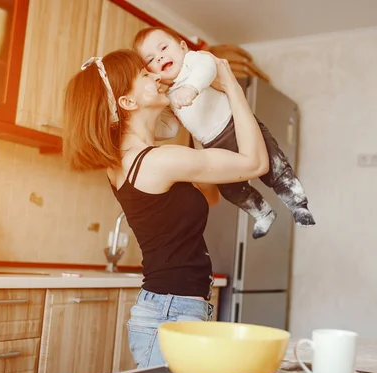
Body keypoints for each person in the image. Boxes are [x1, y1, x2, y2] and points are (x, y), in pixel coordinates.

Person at [63, 49, 270, 368]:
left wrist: (197, 115)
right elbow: (256, 162)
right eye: (145, 76)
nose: (157, 76)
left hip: (170, 308)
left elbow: (209, 196)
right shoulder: (158, 161)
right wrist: (231, 87)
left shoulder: (129, 162)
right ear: (127, 103)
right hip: (171, 312)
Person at [133, 27, 316, 239]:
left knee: (275, 166)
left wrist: (192, 88)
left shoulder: (194, 62)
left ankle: (298, 205)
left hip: (237, 126)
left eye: (163, 47)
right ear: (153, 74)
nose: (160, 56)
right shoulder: (169, 95)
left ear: (182, 47)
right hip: (214, 146)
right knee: (231, 190)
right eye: (151, 59)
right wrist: (146, 128)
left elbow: (208, 68)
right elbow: (171, 127)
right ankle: (262, 213)